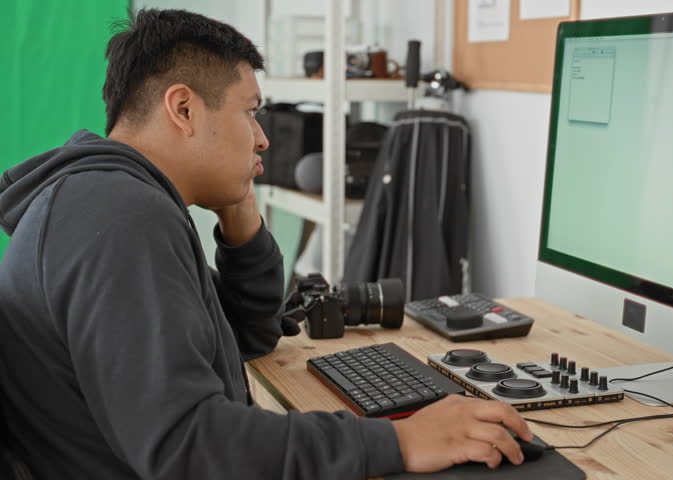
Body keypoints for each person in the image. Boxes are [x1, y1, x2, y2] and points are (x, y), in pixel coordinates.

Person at [0, 8, 532, 479]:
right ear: (182, 109)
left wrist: (238, 208)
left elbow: (242, 337)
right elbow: (187, 446)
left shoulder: (112, 199)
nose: (263, 138)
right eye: (249, 111)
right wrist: (401, 440)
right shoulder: (119, 217)